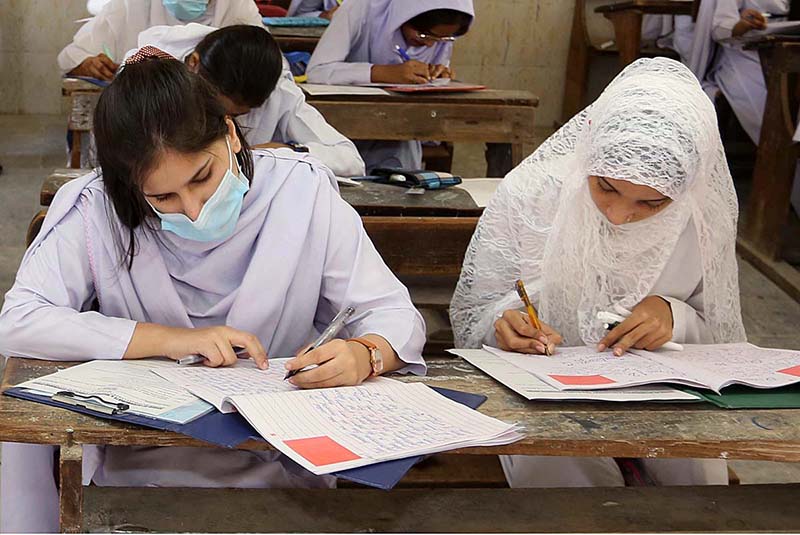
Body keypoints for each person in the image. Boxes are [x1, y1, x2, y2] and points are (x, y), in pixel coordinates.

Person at [0, 51, 425, 533]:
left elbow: (394, 314)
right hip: (139, 468)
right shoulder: (99, 210)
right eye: (163, 198)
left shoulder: (301, 195)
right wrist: (172, 340)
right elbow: (19, 320)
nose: (195, 210)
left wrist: (364, 353)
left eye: (202, 177)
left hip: (282, 457)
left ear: (230, 131)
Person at [450, 57, 745, 487]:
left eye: (653, 203)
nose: (621, 215)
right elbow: (473, 314)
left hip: (660, 394)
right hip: (542, 393)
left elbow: (722, 339)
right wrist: (503, 326)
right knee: (559, 473)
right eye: (606, 187)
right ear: (588, 148)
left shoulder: (701, 218)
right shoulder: (532, 194)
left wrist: (671, 314)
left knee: (698, 476)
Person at [136, 24, 365, 177]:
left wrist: (287, 150)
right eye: (216, 109)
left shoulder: (278, 91)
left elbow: (351, 161)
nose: (227, 124)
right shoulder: (151, 70)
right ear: (193, 64)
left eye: (238, 116)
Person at [306, 0, 474, 171]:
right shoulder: (360, 9)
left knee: (401, 178)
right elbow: (318, 71)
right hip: (345, 125)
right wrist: (382, 73)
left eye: (442, 39)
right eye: (424, 35)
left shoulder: (439, 35)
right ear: (406, 15)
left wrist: (437, 76)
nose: (431, 44)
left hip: (402, 131)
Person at [58, 0, 262, 81]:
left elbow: (266, 65)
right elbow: (72, 56)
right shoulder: (132, 4)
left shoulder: (238, 8)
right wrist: (88, 64)